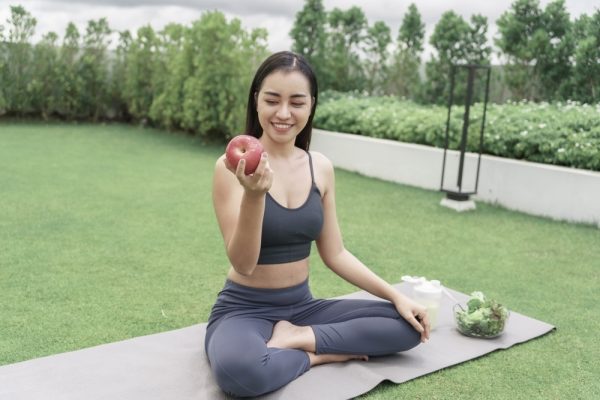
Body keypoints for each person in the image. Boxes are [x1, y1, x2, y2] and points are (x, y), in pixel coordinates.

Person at [205, 51, 430, 398]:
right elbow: (243, 263)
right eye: (272, 100)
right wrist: (254, 195)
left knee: (409, 326)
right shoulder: (230, 167)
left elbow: (335, 253)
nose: (283, 113)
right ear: (256, 101)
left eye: (296, 102)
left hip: (304, 309)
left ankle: (296, 337)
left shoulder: (320, 167)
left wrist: (397, 296)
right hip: (244, 308)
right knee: (239, 374)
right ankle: (315, 355)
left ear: (311, 105)